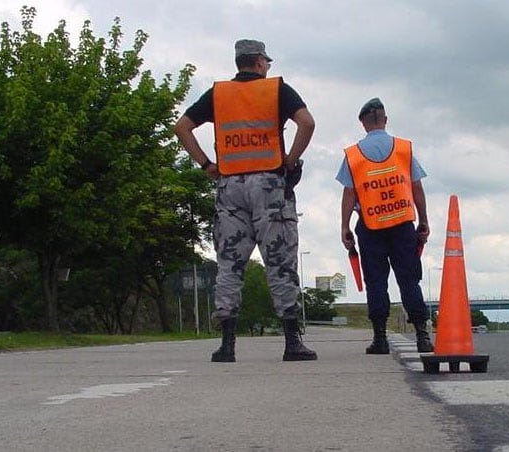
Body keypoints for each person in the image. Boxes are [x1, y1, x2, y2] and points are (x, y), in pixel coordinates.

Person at [174, 39, 317, 362]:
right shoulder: (278, 90)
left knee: (229, 264)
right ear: (257, 62)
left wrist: (207, 165)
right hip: (269, 184)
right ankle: (292, 342)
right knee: (280, 261)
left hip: (230, 186)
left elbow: (182, 127)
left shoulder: (218, 94)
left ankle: (227, 345)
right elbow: (307, 123)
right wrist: (290, 161)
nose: (268, 67)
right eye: (266, 62)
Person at [336, 97, 433, 354]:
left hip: (370, 226)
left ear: (363, 123)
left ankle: (380, 339)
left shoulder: (353, 155)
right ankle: (422, 335)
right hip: (402, 225)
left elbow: (349, 194)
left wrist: (345, 227)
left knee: (376, 282)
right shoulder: (403, 149)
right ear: (385, 120)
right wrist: (423, 220)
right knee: (409, 279)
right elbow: (416, 187)